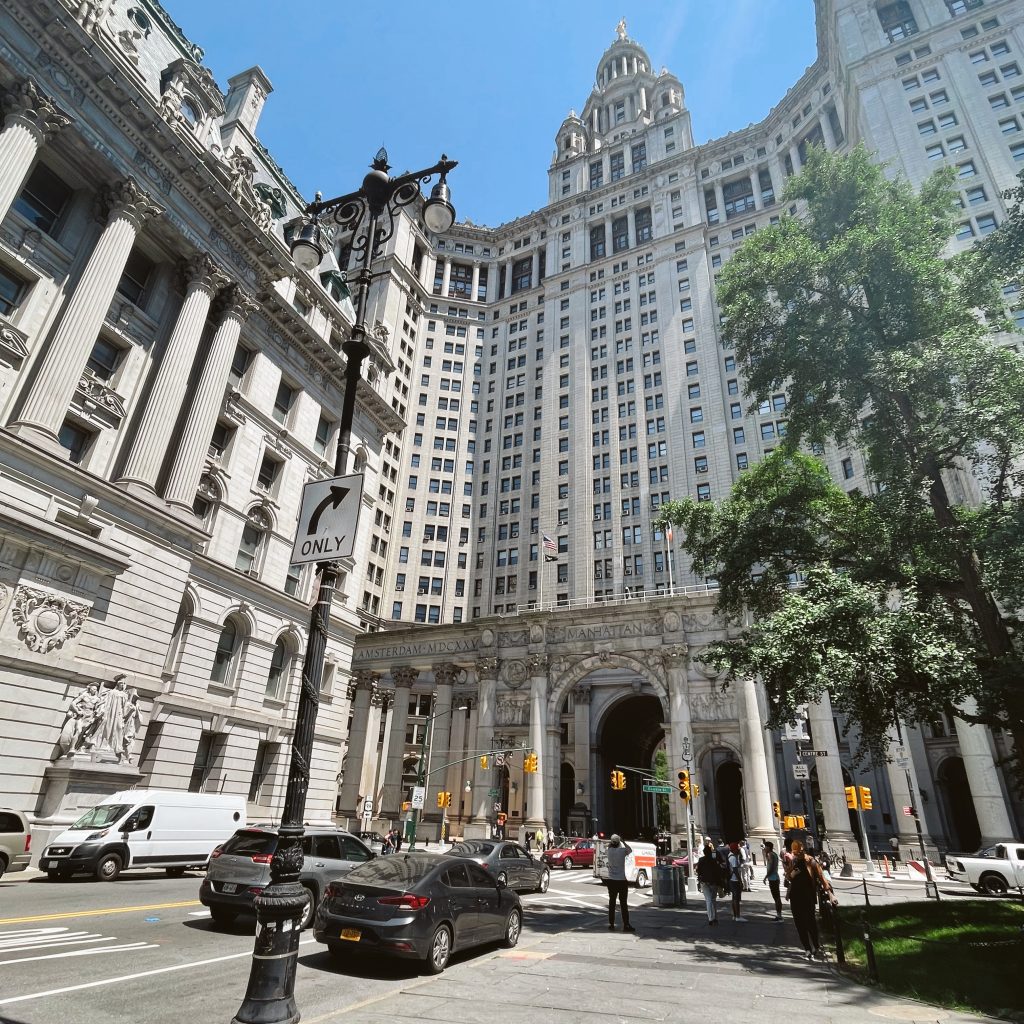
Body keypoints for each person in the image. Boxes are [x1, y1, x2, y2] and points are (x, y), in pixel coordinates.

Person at [786, 839, 836, 959]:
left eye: (798, 852)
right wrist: (792, 875)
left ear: (802, 850)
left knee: (810, 922)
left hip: (808, 896)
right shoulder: (793, 861)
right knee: (799, 924)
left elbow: (822, 877)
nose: (797, 855)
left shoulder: (811, 862)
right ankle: (807, 948)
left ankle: (816, 946)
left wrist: (830, 894)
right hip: (795, 897)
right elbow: (788, 877)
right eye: (795, 853)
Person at [605, 834, 635, 932]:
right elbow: (630, 850)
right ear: (619, 842)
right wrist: (623, 841)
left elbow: (609, 845)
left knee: (612, 902)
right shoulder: (622, 851)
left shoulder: (609, 851)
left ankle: (611, 923)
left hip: (611, 880)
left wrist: (613, 841)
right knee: (623, 903)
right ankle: (626, 924)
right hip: (621, 880)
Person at [696, 842, 723, 926]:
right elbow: (718, 871)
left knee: (708, 900)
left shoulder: (701, 860)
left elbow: (698, 871)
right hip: (713, 882)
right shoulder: (714, 860)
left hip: (704, 882)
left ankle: (711, 918)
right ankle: (715, 917)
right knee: (713, 899)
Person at [763, 840, 784, 922]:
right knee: (776, 897)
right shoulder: (773, 854)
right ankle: (779, 915)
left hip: (773, 878)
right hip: (774, 878)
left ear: (768, 847)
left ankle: (779, 916)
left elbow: (771, 867)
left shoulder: (771, 855)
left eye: (765, 847)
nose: (764, 848)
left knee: (776, 897)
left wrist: (766, 876)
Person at [726, 842, 746, 921]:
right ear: (734, 849)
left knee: (734, 898)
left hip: (732, 879)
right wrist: (740, 881)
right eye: (737, 848)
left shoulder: (730, 855)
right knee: (736, 898)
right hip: (735, 880)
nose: (738, 849)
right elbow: (735, 870)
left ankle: (735, 915)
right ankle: (737, 916)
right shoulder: (733, 858)